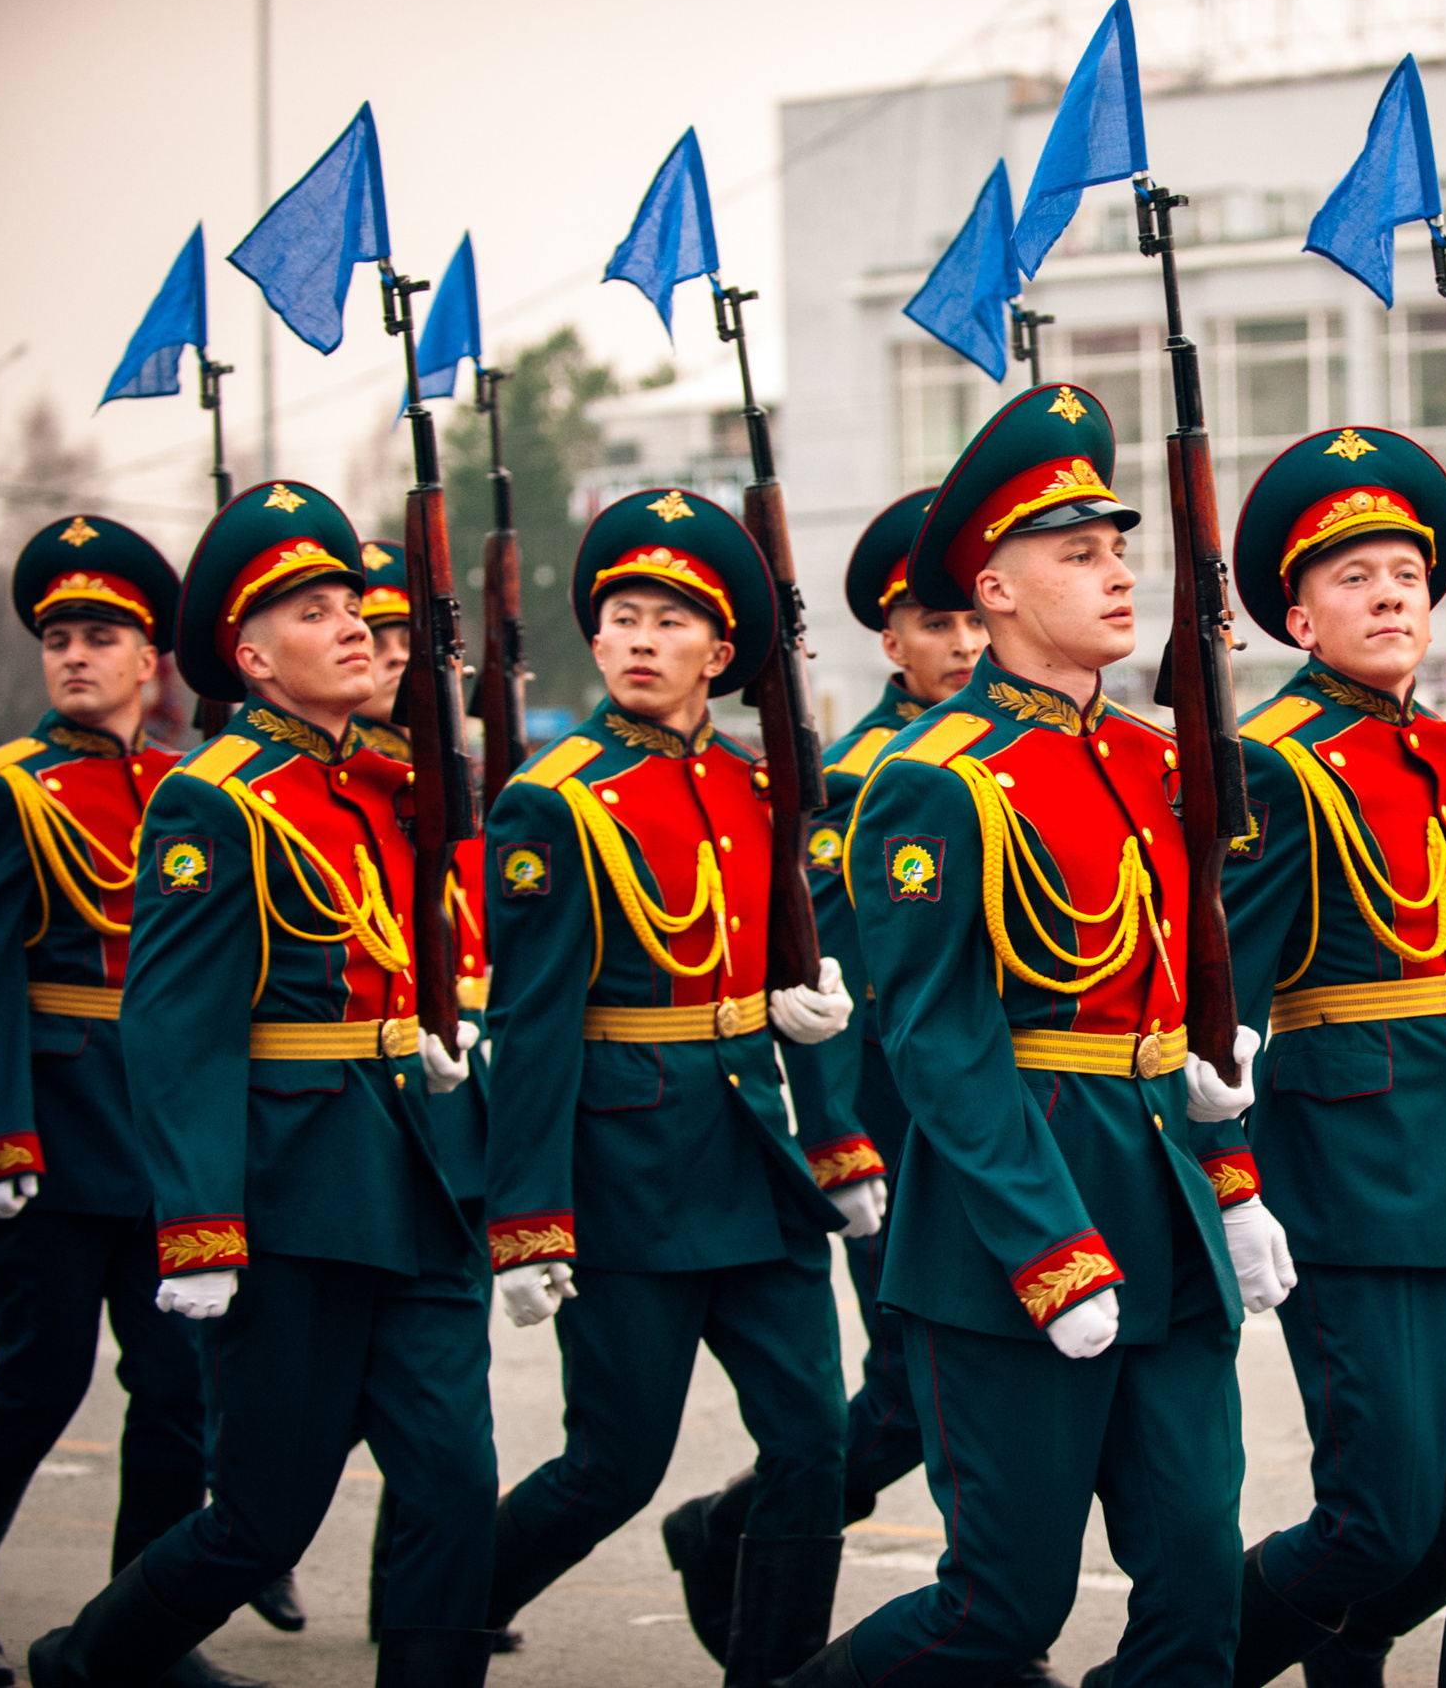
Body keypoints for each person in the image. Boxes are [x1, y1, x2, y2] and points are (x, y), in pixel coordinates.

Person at [785, 381, 1288, 1688]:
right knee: (1001, 1605)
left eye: (1120, 548)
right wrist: (1054, 1248)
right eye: (1078, 554)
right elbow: (940, 1043)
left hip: (1165, 1212)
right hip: (1019, 1227)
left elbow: (1181, 1018)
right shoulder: (934, 775)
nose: (1119, 574)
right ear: (996, 591)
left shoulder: (1157, 758)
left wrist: (1232, 1185)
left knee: (1196, 1587)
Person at [25, 480, 497, 1688]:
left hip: (417, 1177)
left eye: (351, 599)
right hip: (291, 1201)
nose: (350, 623)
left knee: (452, 1487)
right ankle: (94, 1659)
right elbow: (175, 1027)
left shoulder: (395, 788)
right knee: (261, 1518)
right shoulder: (214, 799)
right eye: (309, 607)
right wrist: (197, 1225)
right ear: (248, 655)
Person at [476, 488, 870, 1685]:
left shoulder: (760, 790)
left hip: (755, 1164)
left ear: (722, 651)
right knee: (614, 1461)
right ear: (596, 643)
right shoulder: (554, 799)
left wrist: (838, 1125)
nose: (642, 638)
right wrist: (528, 1218)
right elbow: (529, 1027)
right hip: (627, 1175)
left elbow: (783, 972)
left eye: (671, 618)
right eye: (622, 616)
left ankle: (774, 1671)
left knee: (812, 1442)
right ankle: (441, 1606)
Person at [654, 490, 1044, 1678]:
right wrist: (840, 1140)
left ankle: (726, 1528)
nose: (966, 646)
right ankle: (949, 1613)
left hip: (1008, 1114)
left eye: (973, 620)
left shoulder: (1018, 754)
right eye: (938, 625)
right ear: (893, 641)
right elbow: (826, 987)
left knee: (933, 1386)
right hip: (899, 1124)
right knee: (926, 1381)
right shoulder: (864, 778)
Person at [1210, 426, 1446, 1688]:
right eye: (1352, 579)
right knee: (1380, 1521)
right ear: (1298, 621)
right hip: (1357, 1189)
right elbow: (1226, 1019)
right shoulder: (1276, 762)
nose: (1387, 598)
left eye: (1407, 578)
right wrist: (1229, 1183)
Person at [0, 519, 258, 1688]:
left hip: (161, 1139)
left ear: (150, 655)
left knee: (172, 1396)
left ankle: (135, 1629)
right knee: (42, 1375)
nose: (75, 655)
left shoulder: (187, 786)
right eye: (58, 636)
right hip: (52, 1134)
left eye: (100, 635)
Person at [344, 543, 504, 1649]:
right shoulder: (356, 788)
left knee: (445, 1422)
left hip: (459, 1110)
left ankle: (419, 1595)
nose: (400, 664)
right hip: (347, 1123)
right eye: (383, 642)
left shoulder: (469, 789)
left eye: (417, 647)